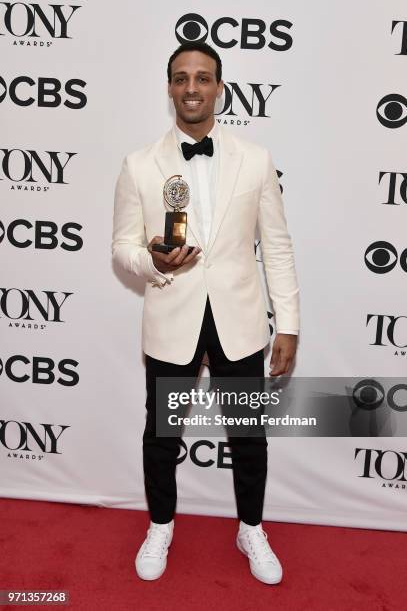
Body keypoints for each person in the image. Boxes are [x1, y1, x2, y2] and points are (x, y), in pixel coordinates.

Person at [112, 41, 300, 585]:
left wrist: (287, 323)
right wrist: (150, 258)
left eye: (203, 78)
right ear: (169, 87)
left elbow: (278, 247)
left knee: (248, 436)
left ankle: (251, 527)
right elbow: (121, 248)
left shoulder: (256, 159)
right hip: (173, 317)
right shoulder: (140, 164)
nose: (191, 87)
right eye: (181, 78)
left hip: (240, 321)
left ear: (219, 87)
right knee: (162, 435)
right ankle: (161, 524)